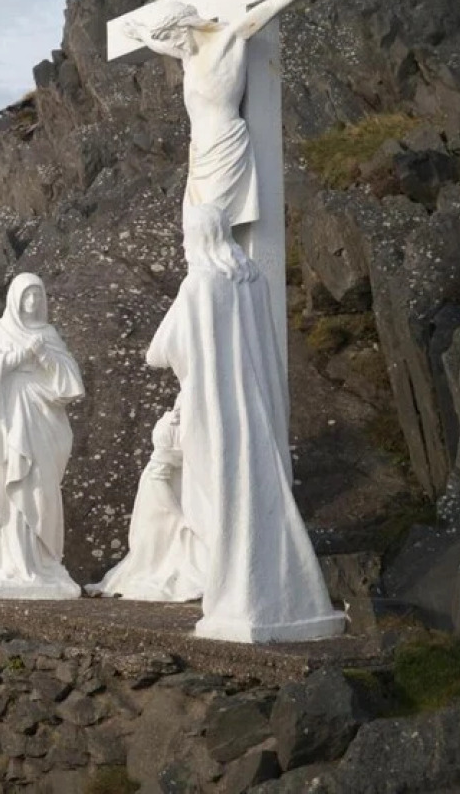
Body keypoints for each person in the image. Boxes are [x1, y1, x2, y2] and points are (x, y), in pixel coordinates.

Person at [146, 203, 344, 641]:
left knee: (218, 504)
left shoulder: (199, 284)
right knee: (260, 497)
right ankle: (280, 597)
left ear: (197, 236)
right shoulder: (252, 280)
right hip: (257, 408)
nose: (183, 243)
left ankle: (240, 599)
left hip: (214, 413)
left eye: (185, 235)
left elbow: (159, 351)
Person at [123, 0, 350, 232]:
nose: (173, 45)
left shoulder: (228, 39)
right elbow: (160, 44)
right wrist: (140, 33)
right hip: (199, 152)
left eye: (174, 37)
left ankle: (231, 275)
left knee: (215, 225)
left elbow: (272, 6)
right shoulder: (189, 56)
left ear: (187, 26)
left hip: (224, 144)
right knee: (195, 231)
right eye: (170, 41)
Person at [0, 273, 84, 600]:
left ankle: (41, 561)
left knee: (39, 488)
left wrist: (44, 355)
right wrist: (22, 354)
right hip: (8, 418)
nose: (33, 303)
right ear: (15, 299)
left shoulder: (49, 334)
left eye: (38, 296)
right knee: (7, 487)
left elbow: (71, 380)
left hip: (42, 417)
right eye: (27, 296)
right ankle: (7, 563)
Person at [89, 401, 206, 603]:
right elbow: (159, 477)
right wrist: (180, 516)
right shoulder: (172, 428)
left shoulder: (183, 423)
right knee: (156, 545)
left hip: (172, 485)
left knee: (161, 546)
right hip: (160, 491)